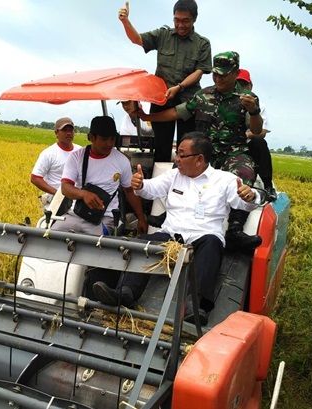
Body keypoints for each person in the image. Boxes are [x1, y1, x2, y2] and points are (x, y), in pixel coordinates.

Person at [91, 132, 261, 309]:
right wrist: (140, 185)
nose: (177, 158)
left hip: (203, 237)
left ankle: (197, 306)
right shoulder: (173, 176)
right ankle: (125, 293)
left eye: (181, 154)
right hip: (171, 235)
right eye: (177, 153)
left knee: (212, 245)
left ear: (199, 159)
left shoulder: (225, 180)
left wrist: (250, 196)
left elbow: (243, 203)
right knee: (143, 244)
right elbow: (151, 189)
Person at [139, 51, 263, 250]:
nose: (218, 78)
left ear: (235, 73)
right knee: (180, 169)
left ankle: (235, 230)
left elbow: (256, 130)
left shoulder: (247, 98)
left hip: (232, 153)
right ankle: (169, 216)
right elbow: (177, 112)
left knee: (244, 172)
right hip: (204, 154)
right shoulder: (203, 95)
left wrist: (254, 111)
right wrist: (147, 117)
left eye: (223, 74)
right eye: (215, 74)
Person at [118, 0, 212, 163]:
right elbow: (137, 39)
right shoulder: (163, 35)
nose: (180, 25)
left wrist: (179, 87)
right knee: (161, 147)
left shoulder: (202, 44)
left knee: (188, 148)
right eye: (176, 20)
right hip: (162, 99)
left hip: (189, 102)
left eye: (185, 21)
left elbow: (199, 72)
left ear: (194, 19)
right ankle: (160, 183)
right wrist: (125, 21)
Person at [51, 115, 148, 236]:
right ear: (91, 137)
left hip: (106, 218)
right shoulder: (77, 157)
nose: (109, 144)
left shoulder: (122, 161)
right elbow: (65, 188)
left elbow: (129, 192)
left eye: (112, 139)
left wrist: (141, 219)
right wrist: (84, 194)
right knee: (51, 236)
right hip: (77, 215)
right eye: (104, 139)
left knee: (95, 246)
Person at [236, 69, 277, 202]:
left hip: (247, 143)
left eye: (244, 84)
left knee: (260, 143)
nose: (241, 88)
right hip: (226, 144)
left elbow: (263, 131)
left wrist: (247, 134)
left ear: (250, 86)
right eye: (238, 84)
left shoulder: (257, 104)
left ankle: (268, 185)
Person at [30, 117, 82, 209]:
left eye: (71, 130)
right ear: (56, 133)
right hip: (57, 202)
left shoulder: (81, 151)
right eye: (65, 130)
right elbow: (35, 178)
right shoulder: (49, 153)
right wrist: (58, 193)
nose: (69, 133)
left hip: (78, 202)